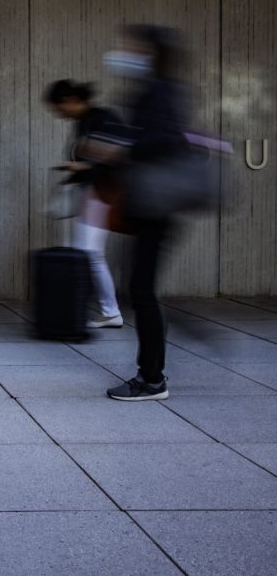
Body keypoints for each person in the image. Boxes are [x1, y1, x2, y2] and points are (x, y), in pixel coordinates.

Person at [92, 25, 191, 402]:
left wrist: (120, 150)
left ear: (148, 52)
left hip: (156, 206)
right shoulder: (156, 88)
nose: (120, 52)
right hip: (151, 205)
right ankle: (152, 373)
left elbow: (166, 140)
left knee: (141, 289)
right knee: (138, 287)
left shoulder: (158, 91)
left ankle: (152, 380)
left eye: (128, 47)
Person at [44, 80, 124, 329]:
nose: (58, 113)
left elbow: (115, 157)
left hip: (103, 193)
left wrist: (79, 166)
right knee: (86, 252)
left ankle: (109, 311)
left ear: (70, 100)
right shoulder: (85, 122)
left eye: (58, 107)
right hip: (93, 193)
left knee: (89, 253)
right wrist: (74, 174)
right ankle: (99, 309)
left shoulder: (102, 118)